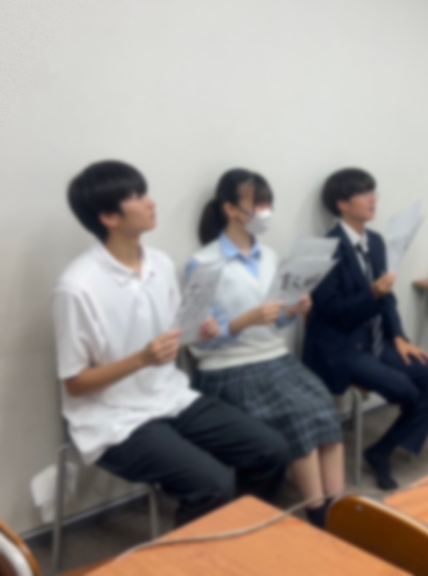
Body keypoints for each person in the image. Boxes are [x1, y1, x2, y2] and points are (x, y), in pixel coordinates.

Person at [52, 161, 289, 526]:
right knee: (213, 485)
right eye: (136, 197)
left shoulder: (159, 264)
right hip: (114, 419)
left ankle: (238, 537)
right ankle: (197, 553)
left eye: (145, 192)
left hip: (170, 397)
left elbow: (178, 331)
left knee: (272, 450)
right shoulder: (77, 287)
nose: (150, 202)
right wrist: (141, 359)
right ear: (109, 217)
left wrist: (200, 329)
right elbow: (75, 384)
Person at [187, 169, 344, 528]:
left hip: (275, 358)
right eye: (257, 204)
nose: (265, 212)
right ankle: (319, 516)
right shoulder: (204, 262)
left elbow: (275, 320)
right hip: (228, 368)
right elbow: (197, 336)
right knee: (298, 416)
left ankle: (342, 511)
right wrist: (244, 320)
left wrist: (292, 310)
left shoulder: (270, 256)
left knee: (324, 408)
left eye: (268, 204)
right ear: (230, 209)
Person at [304, 167, 428, 490]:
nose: (373, 199)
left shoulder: (376, 241)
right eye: (364, 193)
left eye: (374, 191)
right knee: (407, 389)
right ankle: (427, 410)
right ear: (342, 203)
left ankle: (380, 451)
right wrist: (371, 294)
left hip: (376, 338)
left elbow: (388, 298)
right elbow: (333, 312)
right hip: (341, 344)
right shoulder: (323, 249)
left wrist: (399, 336)